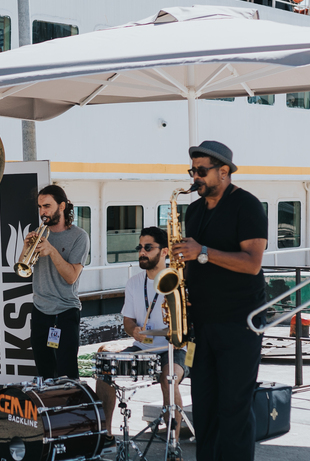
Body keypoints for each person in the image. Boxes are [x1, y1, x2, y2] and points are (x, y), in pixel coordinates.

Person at [173, 141, 267, 461]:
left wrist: (203, 252)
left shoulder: (247, 205)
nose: (194, 177)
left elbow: (252, 263)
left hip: (239, 322)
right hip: (203, 322)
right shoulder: (194, 210)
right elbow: (192, 260)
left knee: (234, 406)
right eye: (192, 171)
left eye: (201, 171)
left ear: (224, 171)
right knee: (206, 404)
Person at [95, 227, 188, 443]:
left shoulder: (179, 281)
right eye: (140, 247)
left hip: (177, 348)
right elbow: (128, 321)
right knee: (105, 366)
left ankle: (173, 446)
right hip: (143, 348)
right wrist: (133, 330)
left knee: (168, 377)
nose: (142, 252)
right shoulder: (134, 282)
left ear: (164, 251)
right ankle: (106, 436)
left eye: (148, 247)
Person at [22, 185, 89, 380]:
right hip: (40, 311)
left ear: (62, 206)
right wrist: (26, 247)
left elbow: (71, 277)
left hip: (65, 312)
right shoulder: (39, 232)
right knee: (44, 373)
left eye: (47, 206)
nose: (42, 212)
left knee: (67, 373)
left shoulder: (79, 236)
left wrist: (51, 250)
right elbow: (23, 268)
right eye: (40, 207)